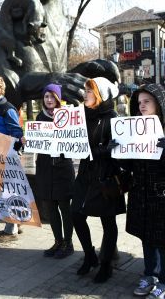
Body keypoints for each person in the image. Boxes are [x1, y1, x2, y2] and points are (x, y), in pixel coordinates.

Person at [71, 77, 125, 283]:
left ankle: (106, 264)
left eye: (89, 91)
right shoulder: (79, 115)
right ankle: (90, 256)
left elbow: (119, 148)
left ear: (100, 94)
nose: (85, 94)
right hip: (85, 174)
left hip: (105, 176)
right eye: (85, 90)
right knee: (76, 214)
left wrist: (102, 150)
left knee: (107, 221)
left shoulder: (112, 117)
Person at [120, 84, 165, 298]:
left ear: (158, 103)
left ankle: (164, 280)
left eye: (147, 101)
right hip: (141, 194)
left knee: (162, 239)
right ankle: (150, 274)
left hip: (161, 196)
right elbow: (130, 166)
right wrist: (117, 151)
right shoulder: (134, 128)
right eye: (139, 103)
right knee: (147, 237)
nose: (142, 106)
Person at [35, 84, 75, 258]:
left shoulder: (68, 117)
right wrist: (27, 138)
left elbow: (75, 140)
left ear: (58, 98)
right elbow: (36, 141)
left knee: (65, 207)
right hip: (45, 168)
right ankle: (58, 241)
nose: (49, 100)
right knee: (51, 208)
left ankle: (68, 243)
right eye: (46, 97)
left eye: (52, 96)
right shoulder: (39, 117)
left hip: (62, 168)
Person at [0, 76, 24, 243]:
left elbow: (17, 134)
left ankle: (10, 230)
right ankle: (17, 223)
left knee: (7, 193)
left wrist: (8, 153)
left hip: (6, 159)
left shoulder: (7, 109)